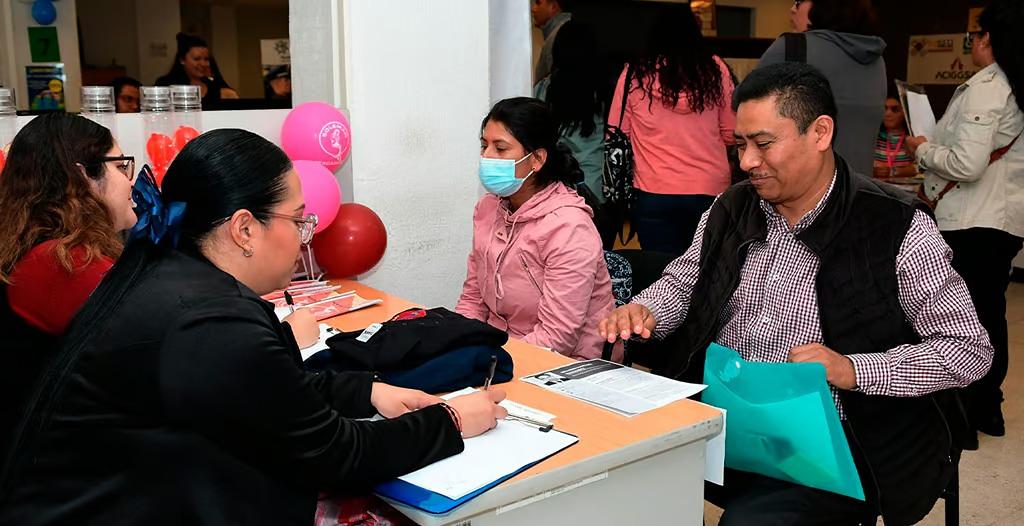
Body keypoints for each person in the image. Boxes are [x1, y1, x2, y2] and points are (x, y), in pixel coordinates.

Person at [0, 129, 508, 524]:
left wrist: (366, 393)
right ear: (245, 228)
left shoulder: (173, 276)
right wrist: (452, 421)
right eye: (298, 220)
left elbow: (264, 391)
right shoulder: (206, 318)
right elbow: (335, 454)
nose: (306, 239)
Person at [599, 62, 992, 525]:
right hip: (725, 415)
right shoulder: (732, 207)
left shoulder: (896, 227)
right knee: (607, 483)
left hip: (837, 439)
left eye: (763, 144)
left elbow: (968, 350)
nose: (746, 162)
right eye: (740, 145)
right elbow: (684, 281)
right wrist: (647, 309)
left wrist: (852, 369)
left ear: (821, 132)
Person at [906, 0, 1024, 440]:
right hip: (1005, 217)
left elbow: (966, 163)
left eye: (973, 37)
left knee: (963, 321)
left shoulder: (988, 87)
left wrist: (921, 148)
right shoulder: (1015, 84)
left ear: (987, 38)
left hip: (974, 217)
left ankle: (964, 416)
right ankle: (987, 408)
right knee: (991, 313)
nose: (971, 44)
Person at [0, 113, 138, 466]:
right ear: (84, 175)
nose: (130, 183)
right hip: (57, 470)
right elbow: (151, 344)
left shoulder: (41, 247)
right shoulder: (63, 262)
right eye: (121, 167)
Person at [456, 97, 618, 361]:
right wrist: (456, 342)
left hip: (562, 365)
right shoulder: (487, 210)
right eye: (484, 146)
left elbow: (558, 337)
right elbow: (473, 298)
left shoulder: (569, 228)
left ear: (537, 160)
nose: (486, 157)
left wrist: (487, 361)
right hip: (500, 350)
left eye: (500, 148)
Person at [607, 4, 735, 256]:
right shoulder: (715, 69)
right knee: (706, 272)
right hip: (709, 192)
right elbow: (732, 131)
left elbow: (617, 131)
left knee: (661, 274)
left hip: (652, 192)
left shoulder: (634, 73)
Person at [757, 0, 886, 177]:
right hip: (859, 189)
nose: (792, 9)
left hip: (800, 190)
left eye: (799, 1)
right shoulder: (875, 59)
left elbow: (744, 109)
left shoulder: (792, 47)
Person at [534, 20, 616, 248]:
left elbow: (535, 133)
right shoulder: (608, 91)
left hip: (559, 188)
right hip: (599, 189)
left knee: (561, 255)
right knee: (601, 258)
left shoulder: (545, 89)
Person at [156, 33, 240, 106]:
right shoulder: (165, 86)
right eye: (197, 59)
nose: (203, 64)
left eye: (206, 59)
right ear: (182, 60)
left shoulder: (218, 90)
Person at [872, 95, 917, 178]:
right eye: (884, 109)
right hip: (877, 188)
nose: (888, 113)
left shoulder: (911, 139)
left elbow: (920, 169)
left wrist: (893, 172)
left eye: (895, 109)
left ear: (904, 113)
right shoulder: (873, 139)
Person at [532, 0, 572, 83]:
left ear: (553, 7)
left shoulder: (558, 35)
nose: (533, 9)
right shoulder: (565, 31)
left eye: (538, 3)